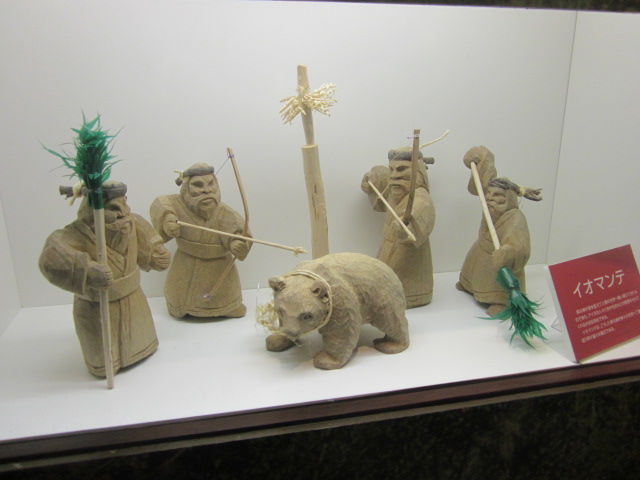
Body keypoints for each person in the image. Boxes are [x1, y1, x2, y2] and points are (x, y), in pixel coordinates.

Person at [39, 181, 170, 377]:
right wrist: (86, 270)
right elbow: (51, 257)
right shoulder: (76, 233)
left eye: (124, 204)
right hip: (98, 308)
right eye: (113, 208)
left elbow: (149, 245)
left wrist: (155, 256)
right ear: (93, 209)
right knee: (104, 357)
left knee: (139, 341)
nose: (122, 212)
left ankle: (140, 349)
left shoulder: (133, 222)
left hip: (134, 301)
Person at [150, 163, 251, 318]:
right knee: (180, 301)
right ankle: (179, 306)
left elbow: (237, 229)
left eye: (210, 184)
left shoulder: (224, 211)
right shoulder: (178, 204)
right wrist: (168, 219)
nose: (206, 190)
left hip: (219, 267)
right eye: (198, 185)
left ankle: (228, 307)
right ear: (186, 187)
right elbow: (160, 203)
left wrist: (236, 243)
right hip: (186, 263)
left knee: (225, 298)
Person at [456, 146, 540, 316]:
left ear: (508, 198)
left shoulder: (515, 217)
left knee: (495, 278)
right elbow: (481, 183)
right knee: (472, 270)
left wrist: (507, 253)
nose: (489, 198)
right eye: (489, 194)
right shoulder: (489, 205)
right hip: (482, 247)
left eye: (497, 195)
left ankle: (502, 302)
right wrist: (480, 158)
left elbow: (520, 246)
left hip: (497, 257)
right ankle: (468, 285)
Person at [361, 146, 436, 308]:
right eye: (392, 170)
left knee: (396, 281)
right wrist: (370, 181)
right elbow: (381, 191)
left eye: (402, 169)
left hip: (408, 252)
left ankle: (413, 296)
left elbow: (421, 211)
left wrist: (407, 224)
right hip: (388, 245)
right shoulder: (396, 189)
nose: (395, 175)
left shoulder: (420, 196)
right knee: (383, 278)